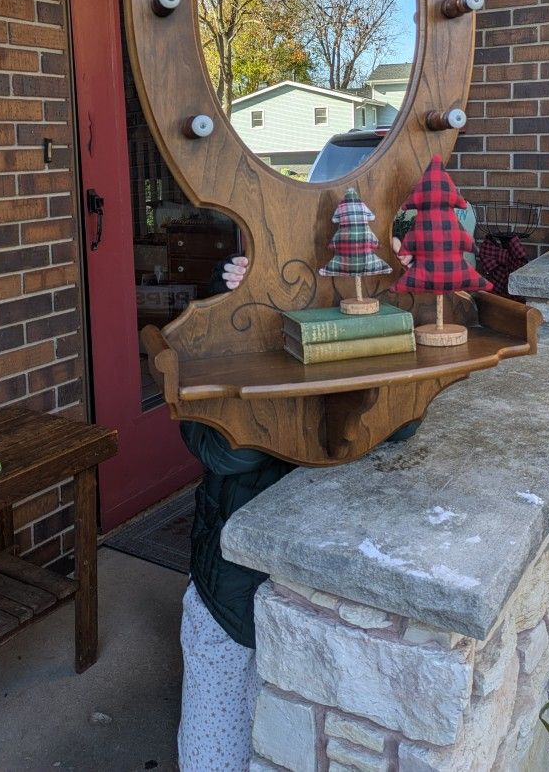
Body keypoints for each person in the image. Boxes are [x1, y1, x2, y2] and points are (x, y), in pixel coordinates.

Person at [176, 251, 416, 771]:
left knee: (295, 729)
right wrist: (255, 320)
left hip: (320, 584)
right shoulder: (224, 306)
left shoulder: (361, 292)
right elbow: (220, 448)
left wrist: (378, 309)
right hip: (232, 584)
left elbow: (401, 424)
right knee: (217, 715)